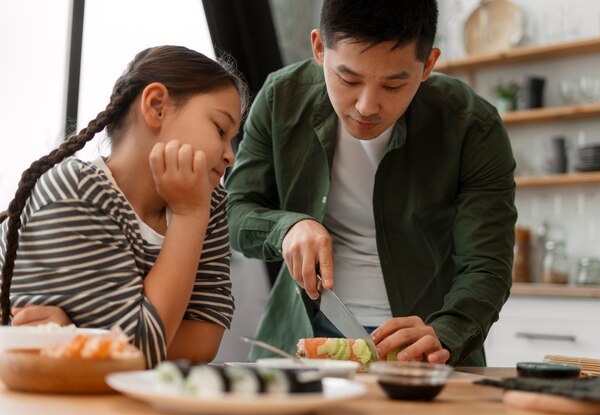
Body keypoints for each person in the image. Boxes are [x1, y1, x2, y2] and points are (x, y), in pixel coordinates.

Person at [225, 0, 516, 366]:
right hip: (302, 340)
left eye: (394, 84)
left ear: (428, 65)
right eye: (348, 79)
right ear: (318, 48)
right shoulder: (281, 98)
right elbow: (233, 213)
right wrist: (286, 228)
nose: (366, 106)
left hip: (423, 349)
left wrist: (447, 332)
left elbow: (487, 265)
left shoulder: (472, 126)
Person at [0, 45, 249, 368]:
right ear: (156, 107)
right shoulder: (74, 191)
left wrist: (80, 338)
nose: (230, 155)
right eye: (219, 129)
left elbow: (204, 341)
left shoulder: (207, 202)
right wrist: (189, 216)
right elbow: (140, 348)